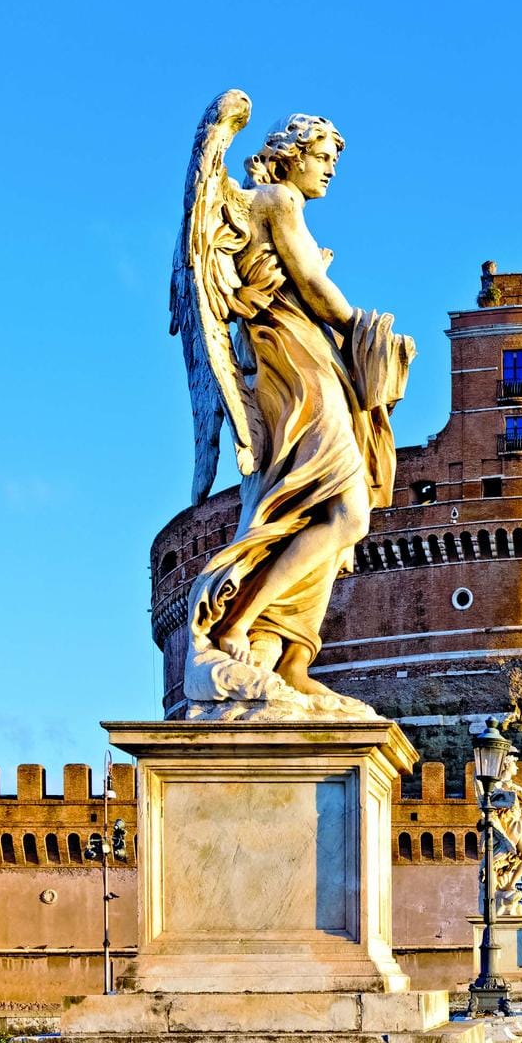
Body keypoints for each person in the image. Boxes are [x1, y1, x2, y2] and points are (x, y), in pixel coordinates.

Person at [178, 103, 415, 707]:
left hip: (311, 355)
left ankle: (291, 658)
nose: (331, 169)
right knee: (343, 508)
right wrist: (372, 328)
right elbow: (310, 286)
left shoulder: (287, 208)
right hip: (292, 361)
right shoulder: (276, 201)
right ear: (293, 153)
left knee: (329, 515)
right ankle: (236, 625)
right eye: (324, 156)